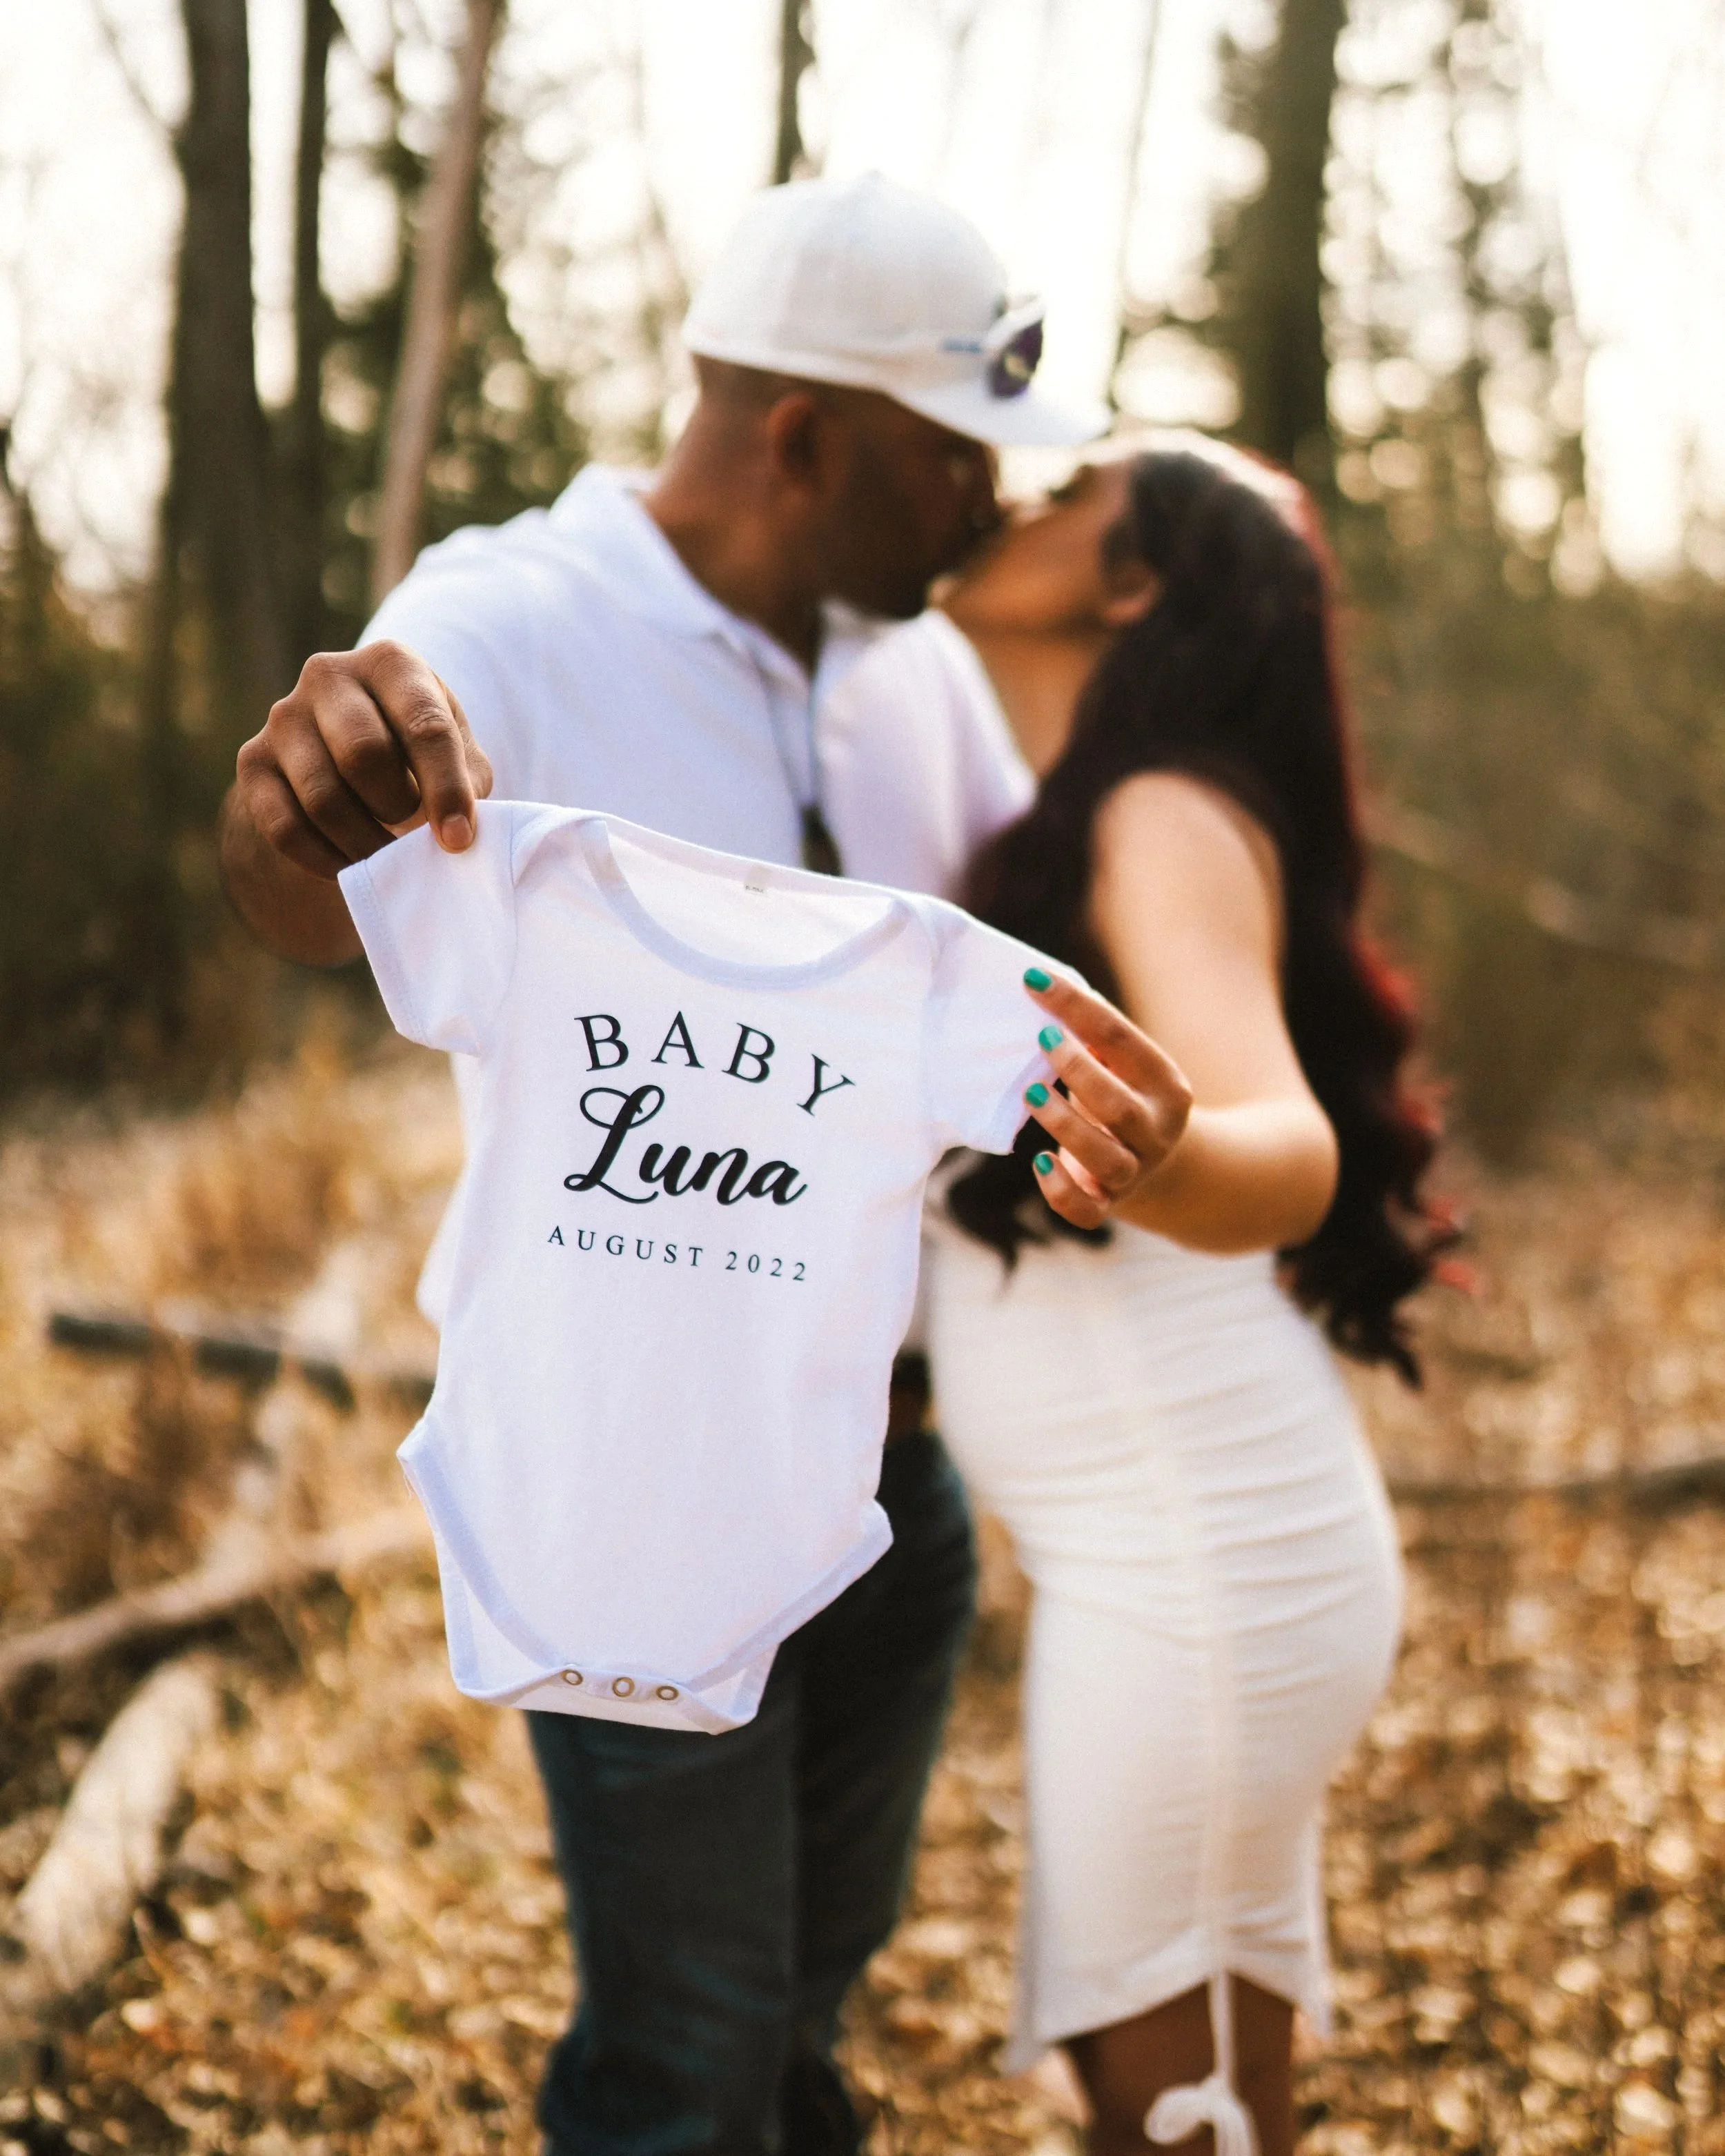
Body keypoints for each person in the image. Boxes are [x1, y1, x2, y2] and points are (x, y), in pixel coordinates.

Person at [218, 174, 1199, 2156]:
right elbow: (317, 888)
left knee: (805, 2016)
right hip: (638, 1479)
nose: (983, 510)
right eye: (951, 463)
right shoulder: (511, 618)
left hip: (893, 1481)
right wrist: (288, 802)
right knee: (686, 2047)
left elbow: (1042, 975)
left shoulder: (907, 665)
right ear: (804, 438)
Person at [927, 435, 1451, 2156]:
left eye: (1067, 481)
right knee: (1183, 2085)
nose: (1013, 485)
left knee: (1169, 2107)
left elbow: (1284, 1149)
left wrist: (1155, 1157)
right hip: (1183, 1563)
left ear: (1131, 583)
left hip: (1200, 1565)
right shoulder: (1095, 807)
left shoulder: (1156, 810)